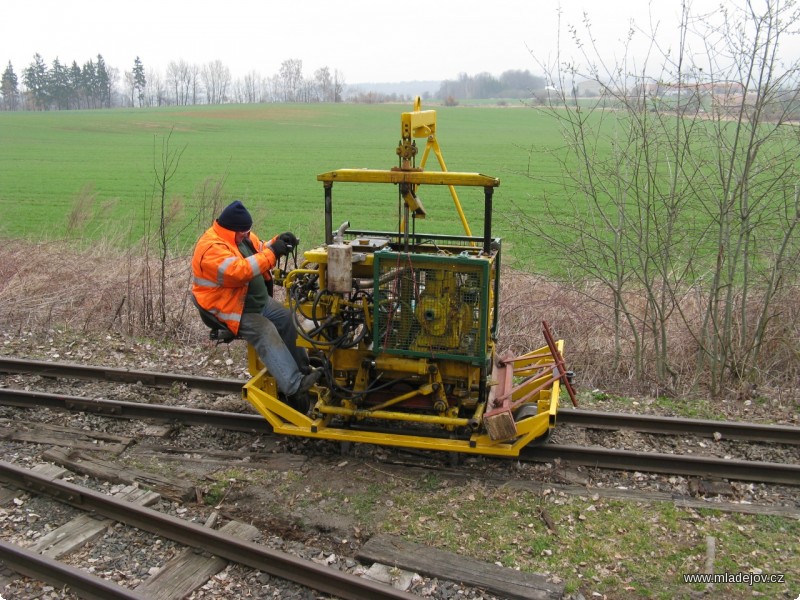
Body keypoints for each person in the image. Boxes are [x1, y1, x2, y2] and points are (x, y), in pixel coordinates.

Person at [192, 200, 320, 410]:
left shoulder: (240, 236)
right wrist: (272, 254)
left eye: (248, 231)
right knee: (265, 330)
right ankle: (294, 387)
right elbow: (238, 272)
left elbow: (260, 250)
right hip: (228, 308)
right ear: (232, 229)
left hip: (254, 302)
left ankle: (303, 370)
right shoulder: (211, 247)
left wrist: (278, 242)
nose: (247, 234)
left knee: (287, 319)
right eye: (244, 231)